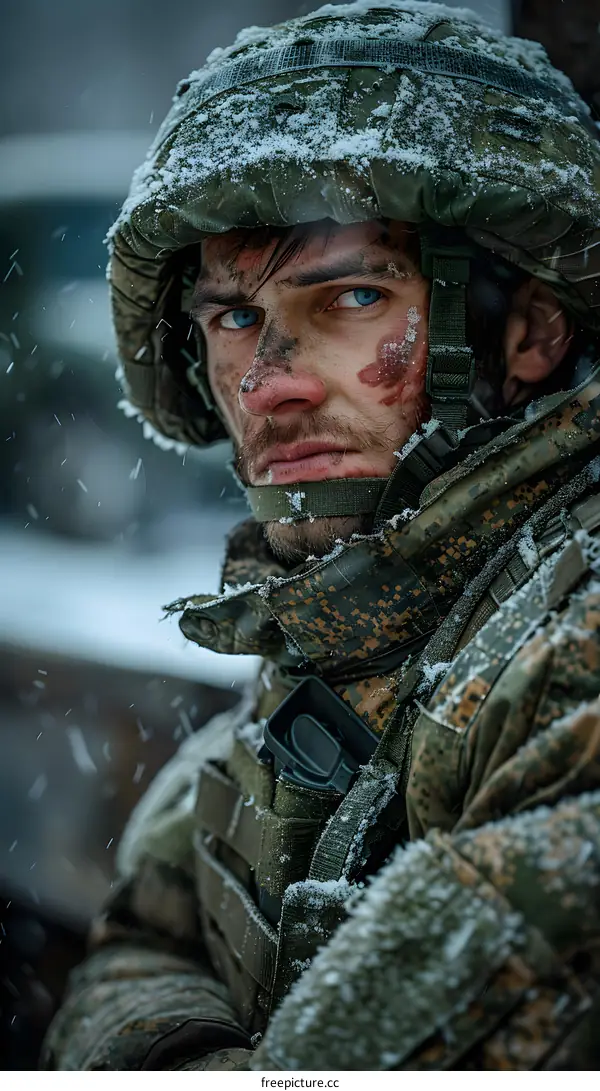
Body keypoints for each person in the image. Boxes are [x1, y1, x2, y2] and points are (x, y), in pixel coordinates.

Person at [42, 0, 600, 1070]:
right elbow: (149, 931)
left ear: (529, 328)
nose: (268, 384)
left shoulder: (564, 643)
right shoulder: (356, 619)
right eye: (235, 318)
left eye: (349, 296)